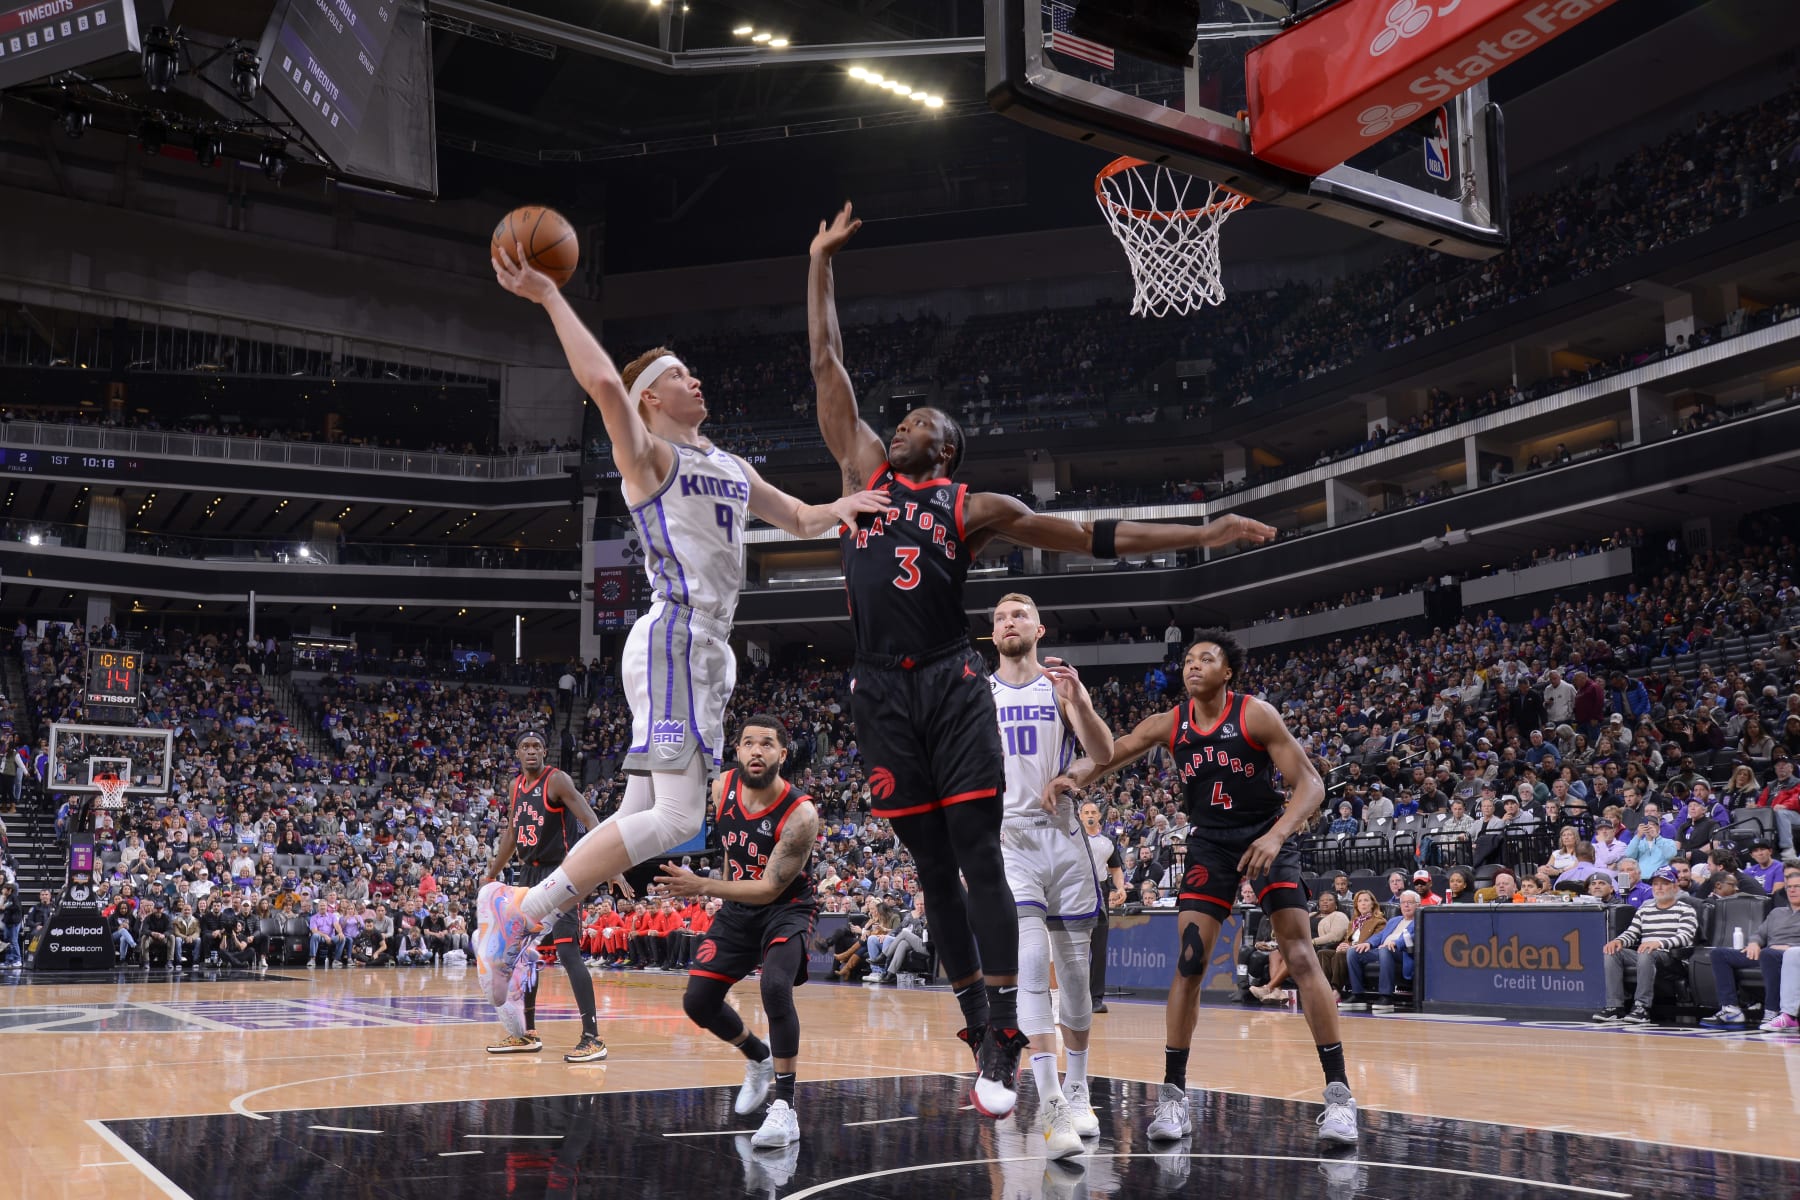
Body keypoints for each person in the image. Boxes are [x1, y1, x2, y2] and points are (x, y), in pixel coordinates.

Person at [808, 202, 1276, 1119]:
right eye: (897, 422)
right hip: (877, 689)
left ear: (943, 446)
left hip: (948, 680)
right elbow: (827, 366)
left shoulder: (971, 504)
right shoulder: (861, 474)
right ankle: (980, 1016)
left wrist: (1201, 530)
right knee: (928, 866)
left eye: (914, 423)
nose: (896, 426)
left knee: (976, 853)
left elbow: (1095, 535)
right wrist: (819, 263)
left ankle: (1007, 1037)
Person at [480, 243, 887, 1029]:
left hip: (707, 653)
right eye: (677, 373)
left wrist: (842, 511)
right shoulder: (649, 455)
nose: (693, 378)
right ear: (649, 400)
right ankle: (522, 912)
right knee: (678, 823)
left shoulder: (730, 464)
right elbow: (600, 381)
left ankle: (519, 945)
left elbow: (799, 516)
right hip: (675, 636)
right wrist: (547, 296)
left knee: (642, 820)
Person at [1049, 631, 1357, 1145]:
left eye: (1206, 659)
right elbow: (1112, 753)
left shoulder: (1254, 714)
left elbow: (1312, 786)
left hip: (1267, 836)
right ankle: (1173, 1098)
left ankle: (1340, 1098)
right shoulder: (1173, 722)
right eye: (1189, 659)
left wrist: (1276, 835)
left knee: (1300, 956)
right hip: (1209, 844)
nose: (1193, 666)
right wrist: (1071, 775)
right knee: (1190, 963)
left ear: (1227, 671)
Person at [654, 715, 819, 1151]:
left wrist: (704, 886)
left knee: (775, 986)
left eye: (767, 744)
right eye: (748, 743)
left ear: (783, 755)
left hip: (786, 907)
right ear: (738, 751)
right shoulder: (721, 787)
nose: (756, 751)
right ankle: (757, 1056)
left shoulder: (800, 813)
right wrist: (722, 893)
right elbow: (732, 849)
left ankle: (785, 1108)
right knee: (697, 1001)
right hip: (737, 910)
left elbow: (769, 888)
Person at [989, 593, 1115, 1157]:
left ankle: (1079, 1083)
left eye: (1018, 615)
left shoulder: (1059, 685)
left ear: (1039, 628)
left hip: (1064, 838)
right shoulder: (978, 692)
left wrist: (1082, 704)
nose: (1008, 622)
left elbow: (1104, 751)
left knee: (1078, 975)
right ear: (993, 634)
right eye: (998, 618)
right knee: (1031, 963)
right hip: (1009, 839)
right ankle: (1050, 1104)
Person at [480, 732, 608, 1062]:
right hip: (529, 875)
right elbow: (511, 831)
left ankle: (592, 1037)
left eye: (538, 746)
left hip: (561, 873)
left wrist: (612, 862)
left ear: (545, 751)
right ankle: (527, 1034)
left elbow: (589, 818)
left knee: (568, 952)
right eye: (526, 746)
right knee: (524, 955)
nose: (532, 751)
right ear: (517, 753)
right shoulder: (515, 787)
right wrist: (493, 872)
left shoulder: (558, 780)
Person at [1592, 866, 1699, 1024]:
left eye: (1664, 883)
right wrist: (1618, 941)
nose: (1659, 887)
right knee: (1612, 951)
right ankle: (1614, 1007)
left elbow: (1685, 937)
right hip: (1646, 954)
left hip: (1672, 959)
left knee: (1646, 952)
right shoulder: (1645, 910)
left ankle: (1642, 1007)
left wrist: (1658, 943)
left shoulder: (1685, 909)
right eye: (1656, 884)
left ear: (1675, 887)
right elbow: (1632, 933)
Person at [1080, 800, 1127, 1015]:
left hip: (1100, 892)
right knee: (1075, 950)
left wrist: (1121, 888)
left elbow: (1115, 869)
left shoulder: (1108, 841)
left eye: (1093, 812)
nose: (1090, 815)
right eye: (1086, 812)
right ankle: (1075, 997)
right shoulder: (1073, 838)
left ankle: (1096, 999)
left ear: (1099, 816)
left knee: (1098, 950)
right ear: (1080, 816)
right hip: (1076, 891)